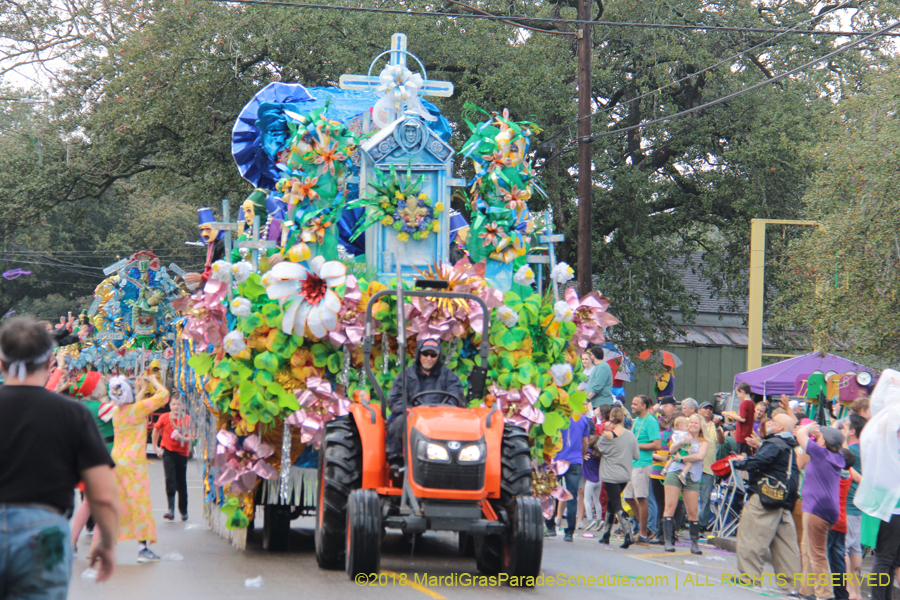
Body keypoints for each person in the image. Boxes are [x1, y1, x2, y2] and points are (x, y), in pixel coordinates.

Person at [0, 317, 119, 594]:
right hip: (44, 533)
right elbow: (102, 494)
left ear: (2, 362)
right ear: (50, 361)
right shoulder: (72, 413)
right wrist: (107, 543)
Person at [732, 414, 802, 595]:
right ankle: (791, 584)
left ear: (780, 428)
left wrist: (742, 462)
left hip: (765, 497)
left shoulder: (775, 443)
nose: (769, 422)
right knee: (786, 546)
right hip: (784, 499)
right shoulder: (790, 446)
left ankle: (749, 576)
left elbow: (762, 461)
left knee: (751, 536)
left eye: (773, 421)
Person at [109, 374, 170, 563]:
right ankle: (142, 548)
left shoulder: (117, 412)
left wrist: (140, 389)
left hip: (117, 461)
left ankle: (105, 545)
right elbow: (164, 395)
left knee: (118, 504)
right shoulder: (136, 410)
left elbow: (135, 405)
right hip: (134, 463)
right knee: (140, 504)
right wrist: (152, 381)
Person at [386, 339, 464, 471]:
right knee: (399, 422)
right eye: (425, 354)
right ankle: (397, 460)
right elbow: (395, 398)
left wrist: (446, 410)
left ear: (438, 357)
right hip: (413, 417)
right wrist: (409, 410)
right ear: (419, 355)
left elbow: (456, 395)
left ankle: (456, 462)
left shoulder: (448, 376)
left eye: (433, 355)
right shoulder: (406, 375)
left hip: (441, 417)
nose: (429, 358)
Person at [796, 422, 845, 600]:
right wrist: (823, 434)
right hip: (829, 509)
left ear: (824, 442)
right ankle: (806, 591)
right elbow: (836, 440)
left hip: (816, 508)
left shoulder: (820, 453)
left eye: (821, 437)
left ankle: (825, 595)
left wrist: (809, 428)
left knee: (816, 553)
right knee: (808, 549)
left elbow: (801, 434)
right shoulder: (838, 456)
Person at [662, 414, 709, 554]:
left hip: (693, 475)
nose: (693, 425)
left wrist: (682, 458)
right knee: (670, 506)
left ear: (701, 426)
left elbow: (699, 456)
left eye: (696, 423)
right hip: (675, 472)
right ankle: (668, 541)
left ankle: (694, 544)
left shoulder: (704, 442)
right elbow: (671, 451)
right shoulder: (681, 435)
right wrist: (681, 443)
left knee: (693, 511)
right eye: (691, 422)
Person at [595, 406, 639, 547]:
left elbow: (600, 448)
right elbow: (636, 455)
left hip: (610, 474)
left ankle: (628, 535)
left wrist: (605, 432)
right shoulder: (631, 435)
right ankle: (606, 534)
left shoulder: (608, 435)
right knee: (611, 502)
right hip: (625, 474)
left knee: (617, 505)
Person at [547, 412, 592, 542]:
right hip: (575, 461)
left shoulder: (556, 414)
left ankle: (550, 528)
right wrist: (581, 456)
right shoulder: (582, 419)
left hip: (556, 460)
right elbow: (585, 441)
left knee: (550, 493)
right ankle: (569, 532)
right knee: (572, 496)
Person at [623, 395, 661, 544]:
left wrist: (636, 446)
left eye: (635, 404)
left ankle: (643, 533)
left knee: (641, 497)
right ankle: (646, 529)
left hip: (643, 463)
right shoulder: (636, 421)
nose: (632, 406)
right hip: (632, 463)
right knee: (628, 497)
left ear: (644, 406)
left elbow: (657, 445)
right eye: (632, 403)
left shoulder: (651, 421)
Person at [152, 394, 192, 521]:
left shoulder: (187, 419)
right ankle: (170, 510)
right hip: (168, 452)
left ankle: (183, 510)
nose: (176, 407)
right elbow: (156, 430)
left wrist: (182, 439)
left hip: (182, 453)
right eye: (174, 404)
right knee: (170, 479)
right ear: (170, 406)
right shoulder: (164, 417)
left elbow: (192, 438)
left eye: (179, 404)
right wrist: (155, 447)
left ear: (183, 406)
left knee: (181, 482)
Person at [840, 414, 867, 600]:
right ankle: (855, 592)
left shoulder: (851, 451)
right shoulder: (866, 449)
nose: (841, 429)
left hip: (848, 504)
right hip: (858, 505)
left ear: (851, 431)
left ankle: (847, 591)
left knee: (842, 548)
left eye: (844, 426)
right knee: (854, 548)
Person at [827, 447, 855, 600]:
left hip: (829, 520)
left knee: (822, 556)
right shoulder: (848, 474)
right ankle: (841, 594)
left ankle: (822, 591)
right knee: (838, 560)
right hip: (842, 521)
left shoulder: (833, 474)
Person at [698, 401, 724, 531]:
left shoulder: (714, 426)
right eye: (705, 408)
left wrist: (718, 427)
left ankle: (701, 525)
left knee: (705, 497)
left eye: (710, 409)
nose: (708, 410)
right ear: (699, 411)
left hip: (708, 467)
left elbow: (721, 441)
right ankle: (692, 521)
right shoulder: (695, 423)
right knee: (690, 495)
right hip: (694, 465)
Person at [733, 382, 756, 455]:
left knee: (740, 456)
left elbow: (742, 418)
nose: (738, 396)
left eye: (738, 393)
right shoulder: (751, 403)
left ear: (742, 392)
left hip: (741, 436)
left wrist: (730, 414)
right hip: (748, 435)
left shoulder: (744, 403)